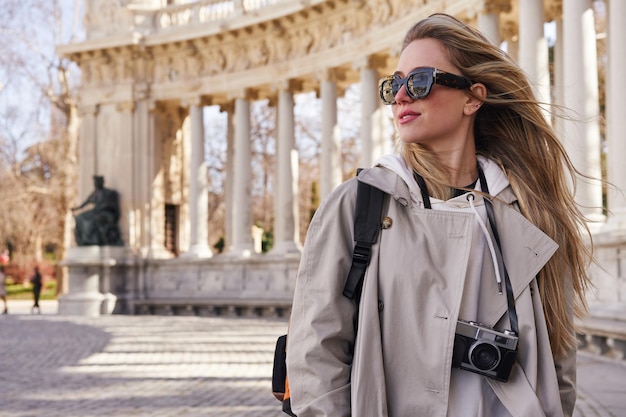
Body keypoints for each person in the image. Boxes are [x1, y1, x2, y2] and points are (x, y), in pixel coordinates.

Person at [286, 13, 593, 417]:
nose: (401, 96)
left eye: (420, 81)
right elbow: (315, 353)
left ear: (473, 97)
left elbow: (558, 359)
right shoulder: (358, 204)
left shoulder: (530, 212)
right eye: (395, 84)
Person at [71, 175, 123, 246]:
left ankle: (96, 240)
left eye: (97, 182)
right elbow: (86, 202)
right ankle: (84, 240)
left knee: (95, 219)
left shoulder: (109, 193)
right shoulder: (95, 193)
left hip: (104, 212)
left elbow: (114, 208)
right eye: (95, 182)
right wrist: (76, 208)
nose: (95, 184)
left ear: (101, 182)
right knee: (79, 218)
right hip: (95, 212)